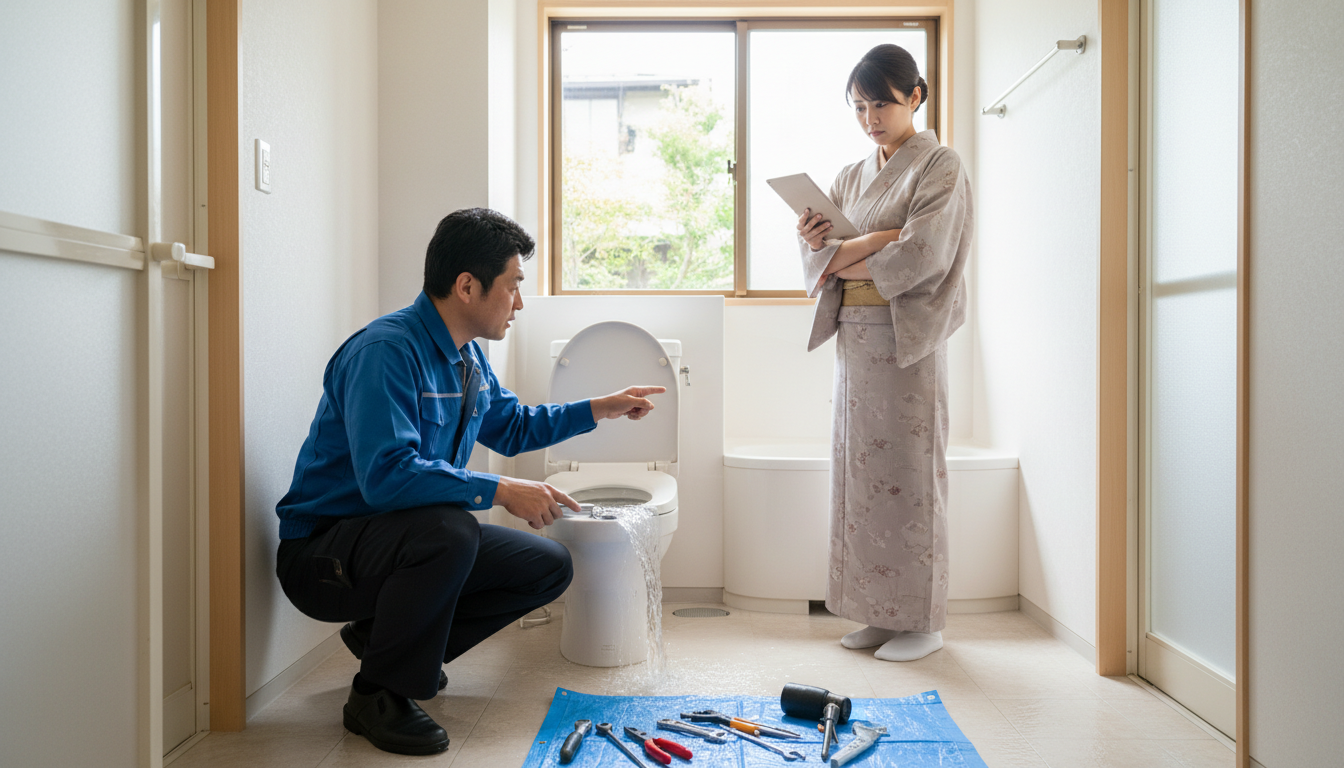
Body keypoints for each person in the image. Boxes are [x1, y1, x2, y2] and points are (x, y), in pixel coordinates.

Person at [273, 208, 665, 755]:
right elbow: (387, 477)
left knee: (547, 566)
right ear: (466, 286)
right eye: (513, 287)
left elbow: (514, 426)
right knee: (451, 529)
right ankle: (378, 693)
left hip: (395, 542)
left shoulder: (468, 359)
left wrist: (602, 407)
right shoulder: (386, 352)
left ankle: (384, 644)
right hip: (326, 557)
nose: (520, 303)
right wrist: (501, 490)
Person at [795, 44, 973, 662]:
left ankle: (922, 621)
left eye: (883, 104)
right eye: (860, 106)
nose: (871, 117)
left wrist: (851, 249)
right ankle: (877, 613)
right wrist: (831, 242)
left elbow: (925, 252)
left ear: (915, 98)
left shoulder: (940, 166)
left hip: (906, 338)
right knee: (861, 476)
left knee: (911, 475)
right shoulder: (849, 176)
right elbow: (823, 260)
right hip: (856, 339)